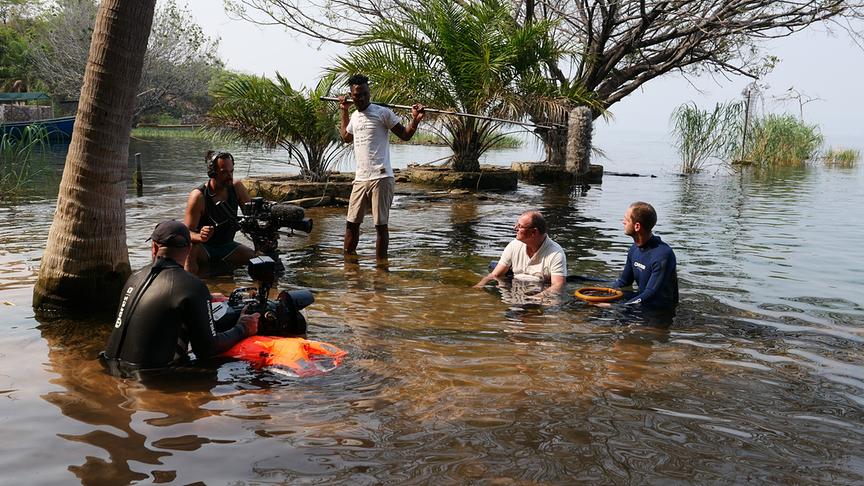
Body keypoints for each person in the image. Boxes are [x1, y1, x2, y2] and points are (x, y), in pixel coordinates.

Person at [101, 220, 259, 375]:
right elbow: (207, 350)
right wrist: (243, 327)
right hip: (152, 378)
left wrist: (204, 298)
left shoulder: (133, 278)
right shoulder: (193, 286)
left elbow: (166, 297)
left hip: (110, 367)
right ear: (189, 248)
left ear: (154, 247)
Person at [338, 74, 425, 260]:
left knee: (380, 226)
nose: (361, 98)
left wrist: (415, 120)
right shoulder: (354, 115)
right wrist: (344, 110)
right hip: (360, 179)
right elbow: (346, 137)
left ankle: (381, 269)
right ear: (351, 96)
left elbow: (405, 135)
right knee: (351, 224)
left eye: (364, 94)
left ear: (369, 93)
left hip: (381, 177)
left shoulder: (382, 113)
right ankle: (349, 266)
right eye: (356, 95)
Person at [184, 150, 255, 275]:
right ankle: (191, 285)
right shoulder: (198, 196)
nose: (230, 176)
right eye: (224, 173)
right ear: (212, 173)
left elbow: (253, 218)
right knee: (191, 247)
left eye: (231, 171)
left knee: (257, 259)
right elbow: (185, 233)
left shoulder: (237, 187)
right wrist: (200, 236)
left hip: (228, 247)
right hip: (204, 248)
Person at [598, 201, 678, 309]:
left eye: (626, 220)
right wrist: (602, 293)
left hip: (659, 310)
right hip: (642, 301)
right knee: (587, 305)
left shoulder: (663, 255)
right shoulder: (634, 249)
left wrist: (616, 306)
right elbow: (624, 281)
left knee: (613, 313)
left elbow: (651, 293)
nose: (623, 222)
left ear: (637, 226)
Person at [474, 210, 567, 297]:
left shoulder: (556, 253)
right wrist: (479, 285)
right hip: (515, 290)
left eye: (520, 226)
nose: (515, 228)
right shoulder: (513, 245)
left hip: (541, 294)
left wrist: (535, 299)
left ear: (534, 232)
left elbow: (558, 285)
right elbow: (495, 274)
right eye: (516, 225)